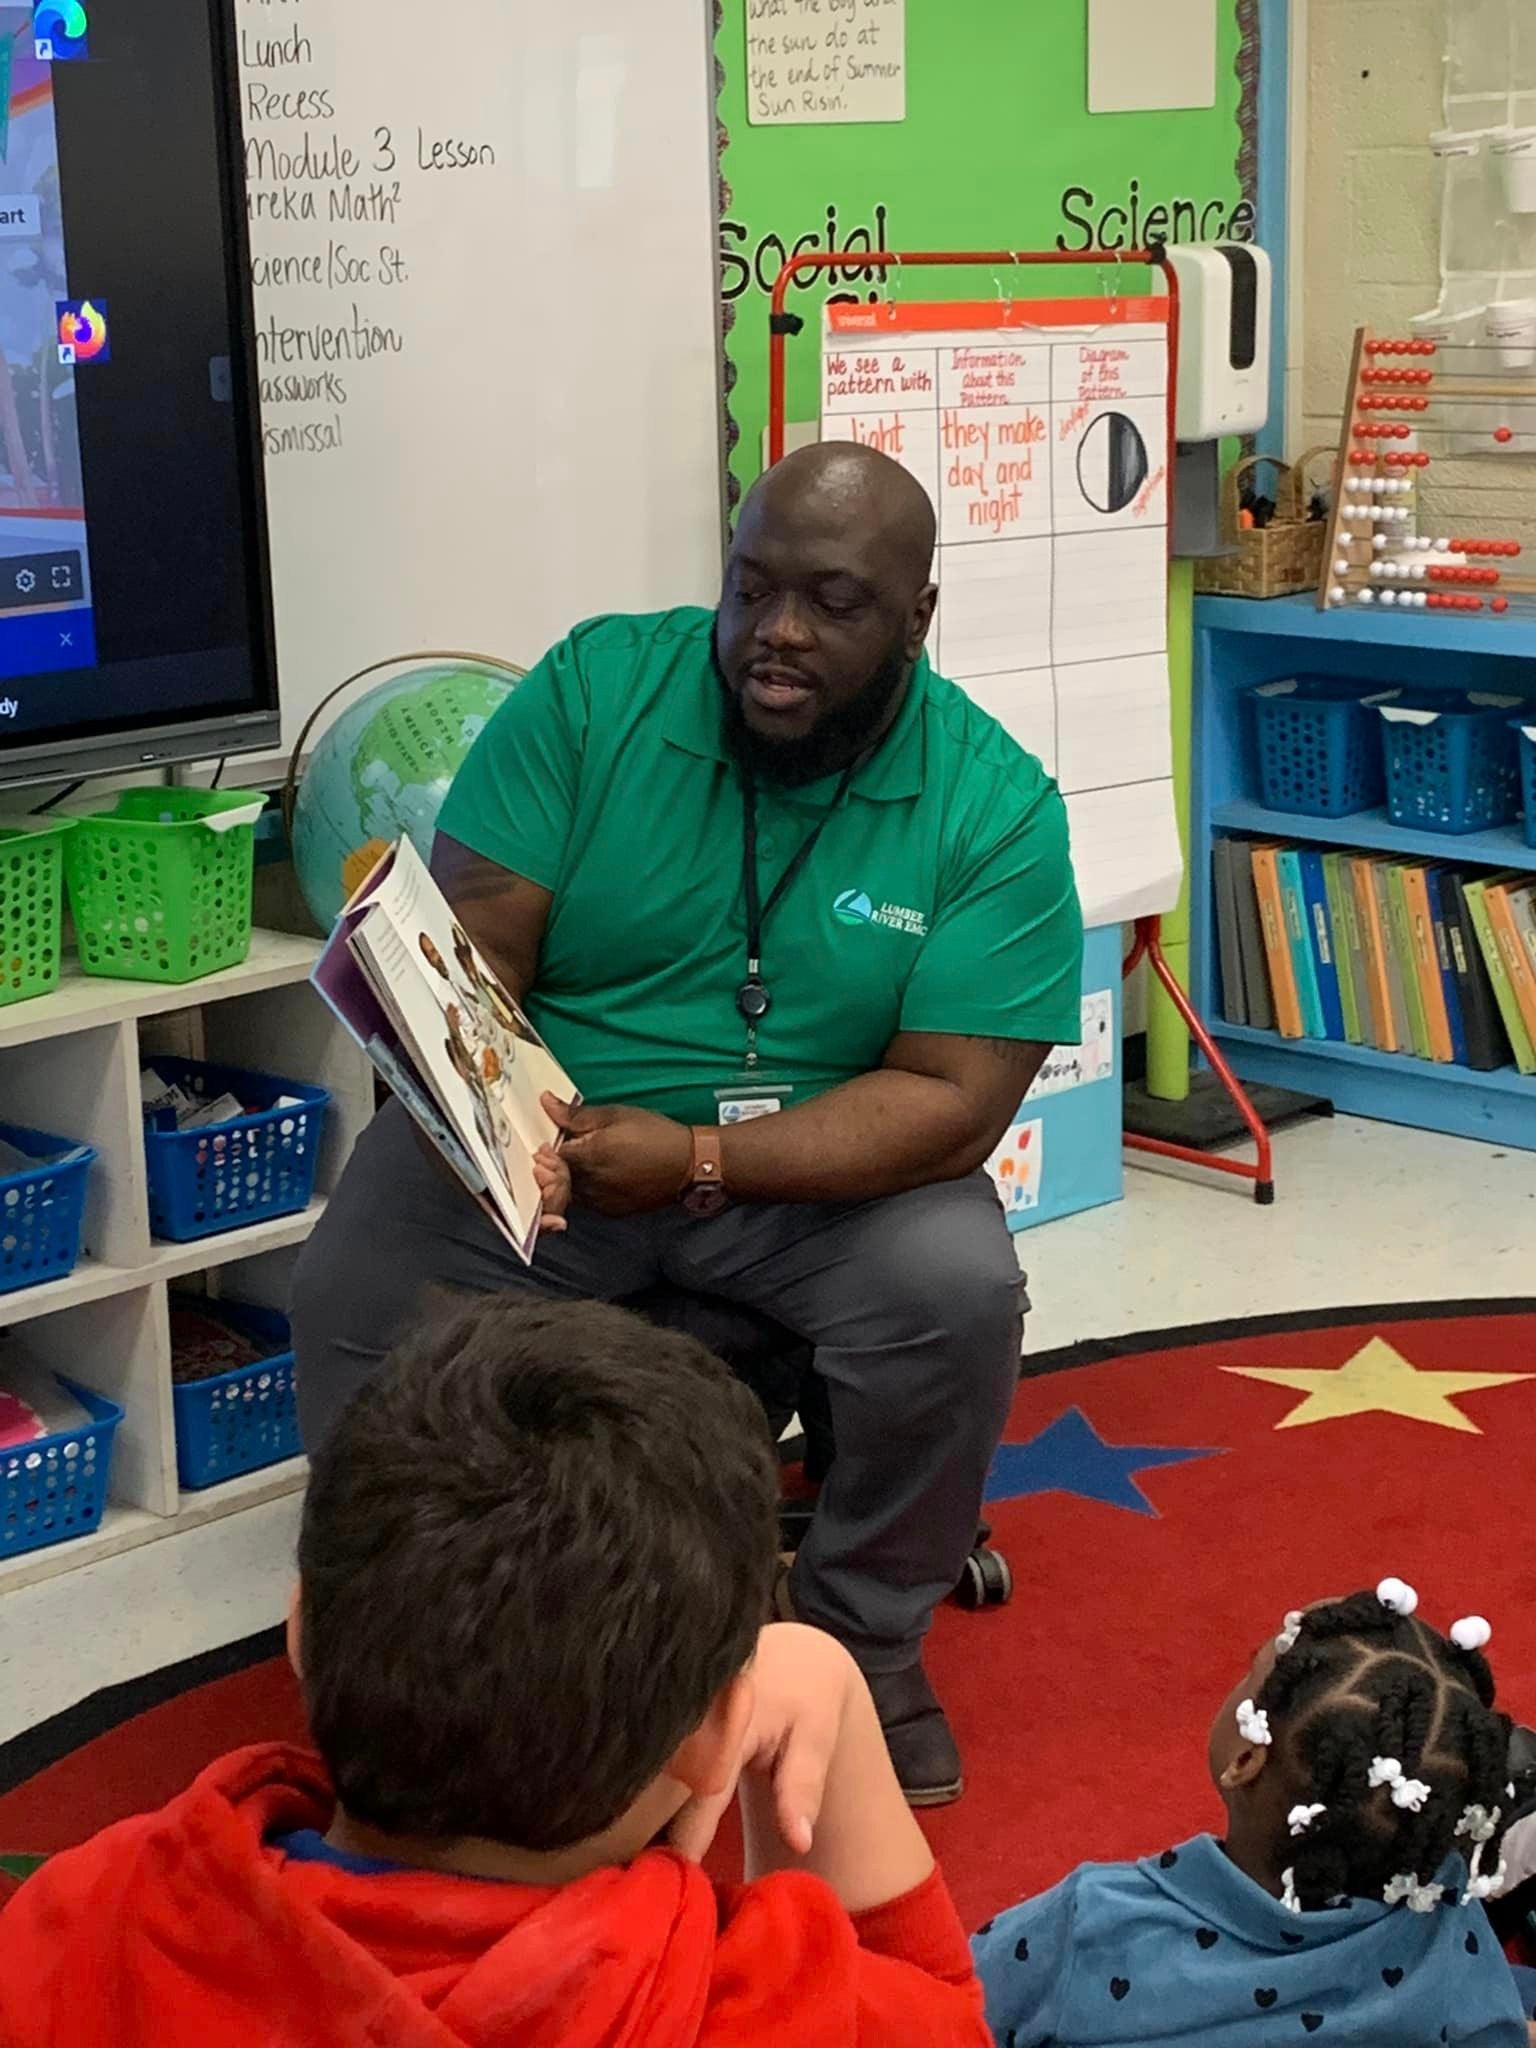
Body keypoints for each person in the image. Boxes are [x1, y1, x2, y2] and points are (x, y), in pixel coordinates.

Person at [291, 440, 1083, 1806]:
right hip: (568, 1139)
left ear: (918, 619)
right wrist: (491, 1104)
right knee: (355, 1283)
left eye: (833, 603)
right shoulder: (598, 692)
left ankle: (858, 1646)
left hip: (826, 1169)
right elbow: (477, 950)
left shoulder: (994, 803)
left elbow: (957, 1102)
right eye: (751, 588)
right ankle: (404, 1649)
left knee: (956, 1286)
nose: (776, 635)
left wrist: (704, 1161)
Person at [0, 1296, 988, 2048]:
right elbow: (942, 2019)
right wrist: (829, 1675)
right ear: (721, 1731)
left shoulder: (91, 1910)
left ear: (302, 1628)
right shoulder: (755, 2000)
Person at [973, 1580, 1532, 2047]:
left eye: (1252, 1673)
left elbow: (955, 2003)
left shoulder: (1094, 1922)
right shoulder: (1459, 1958)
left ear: (1245, 1759)